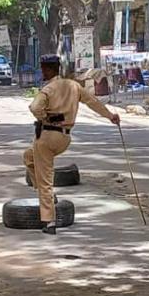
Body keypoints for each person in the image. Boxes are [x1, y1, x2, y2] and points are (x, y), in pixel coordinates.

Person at [24, 54, 120, 235]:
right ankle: (48, 197)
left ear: (49, 69)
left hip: (47, 136)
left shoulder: (48, 89)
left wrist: (45, 117)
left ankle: (49, 221)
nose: (42, 71)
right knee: (28, 157)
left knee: (45, 180)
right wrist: (110, 116)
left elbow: (34, 108)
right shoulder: (74, 86)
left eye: (44, 68)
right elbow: (93, 102)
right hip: (65, 138)